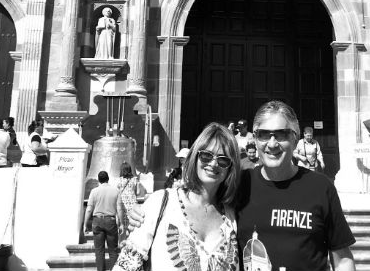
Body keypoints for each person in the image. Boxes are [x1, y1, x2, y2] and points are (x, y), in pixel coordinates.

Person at [129, 101, 356, 271]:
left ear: (296, 139)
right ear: (254, 140)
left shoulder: (321, 187)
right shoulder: (240, 184)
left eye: (282, 134)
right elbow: (200, 198)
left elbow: (342, 257)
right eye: (264, 135)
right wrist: (146, 212)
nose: (272, 143)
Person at [114, 122, 240, 271]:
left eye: (223, 160)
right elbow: (126, 266)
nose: (213, 163)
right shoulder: (160, 203)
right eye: (206, 156)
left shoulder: (232, 217)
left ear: (230, 168)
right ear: (195, 157)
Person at [85, 171, 121, 271]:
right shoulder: (116, 191)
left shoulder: (94, 191)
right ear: (108, 178)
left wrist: (85, 224)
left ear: (98, 180)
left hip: (97, 221)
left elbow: (89, 209)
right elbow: (119, 209)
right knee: (113, 251)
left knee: (99, 251)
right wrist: (121, 223)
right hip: (110, 221)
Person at [116, 162, 140, 244]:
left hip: (122, 206)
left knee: (122, 227)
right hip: (133, 206)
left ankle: (121, 245)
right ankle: (131, 246)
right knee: (132, 228)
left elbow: (117, 193)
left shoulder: (119, 180)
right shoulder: (135, 179)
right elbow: (138, 192)